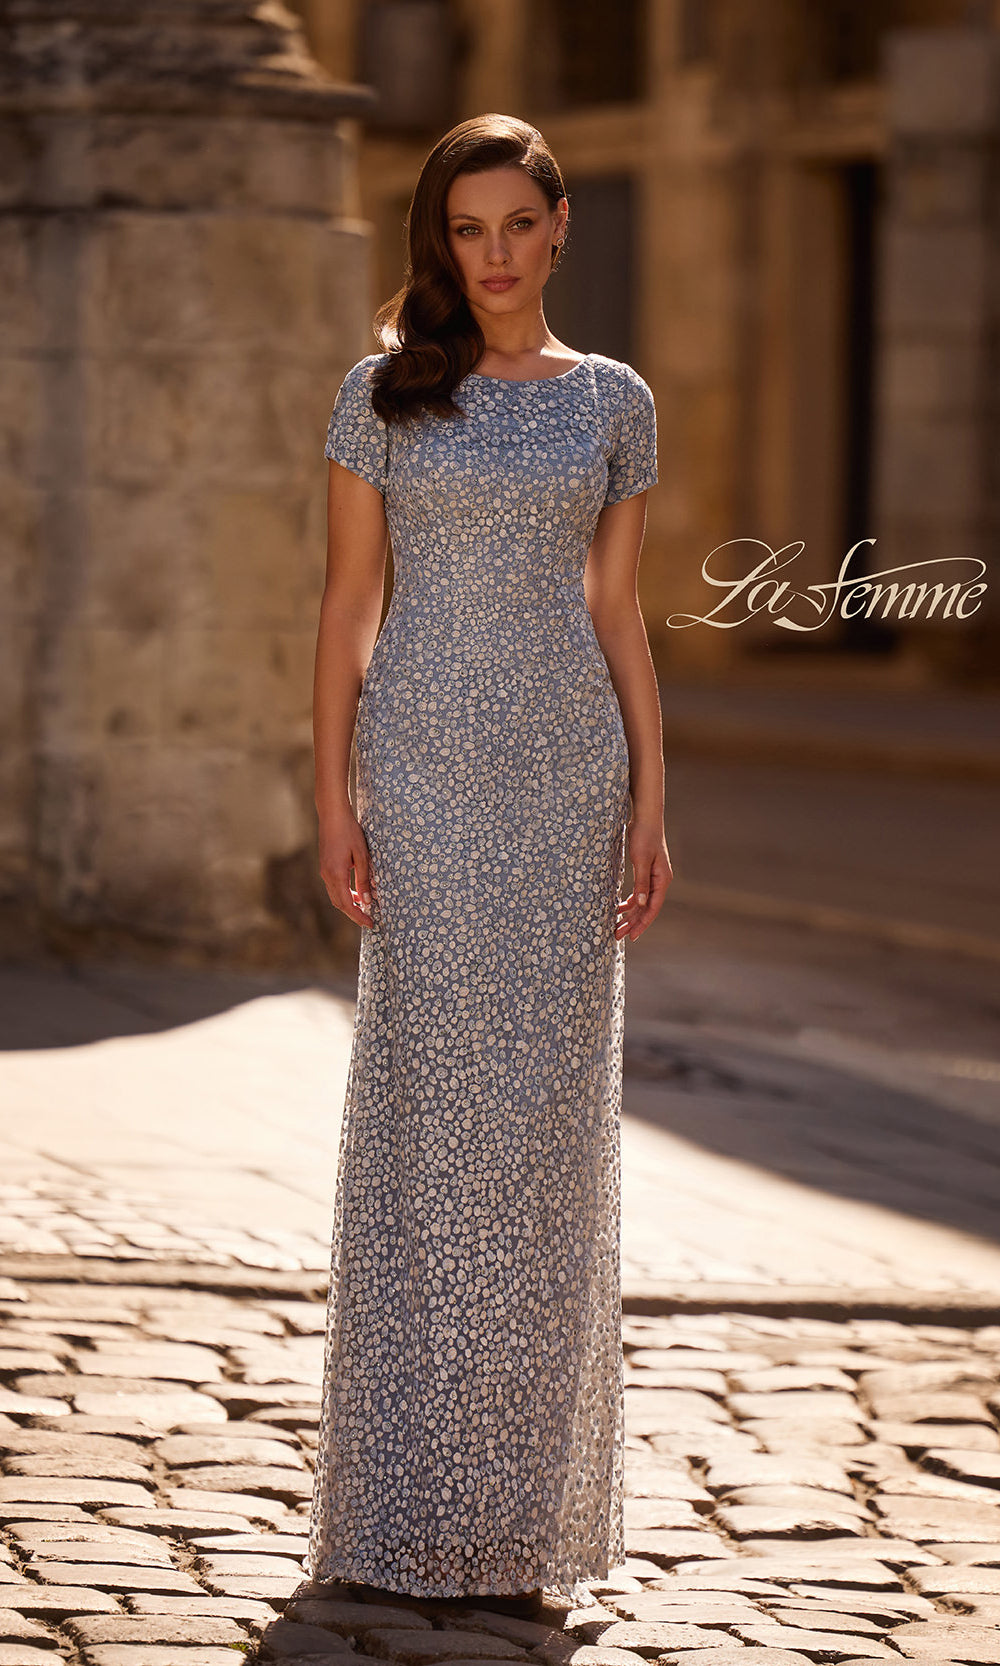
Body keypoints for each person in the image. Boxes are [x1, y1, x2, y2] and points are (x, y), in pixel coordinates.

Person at [305, 111, 673, 1618]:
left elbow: (619, 613)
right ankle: (403, 1499)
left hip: (569, 778)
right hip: (425, 775)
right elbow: (347, 609)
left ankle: (519, 1522)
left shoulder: (615, 401)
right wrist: (333, 794)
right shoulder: (382, 392)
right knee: (431, 1117)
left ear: (561, 226)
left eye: (520, 223)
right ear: (439, 241)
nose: (497, 252)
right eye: (469, 229)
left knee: (543, 1139)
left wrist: (650, 798)